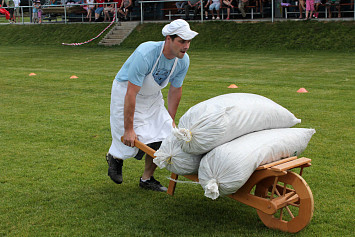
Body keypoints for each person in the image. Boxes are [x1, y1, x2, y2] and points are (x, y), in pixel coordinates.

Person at [106, 19, 198, 192]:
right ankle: (115, 158)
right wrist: (128, 129)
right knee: (130, 138)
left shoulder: (183, 61)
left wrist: (170, 120)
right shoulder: (146, 53)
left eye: (188, 41)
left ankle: (146, 179)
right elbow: (131, 93)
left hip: (152, 96)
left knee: (167, 135)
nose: (186, 46)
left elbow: (175, 91)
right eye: (182, 41)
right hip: (126, 91)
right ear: (168, 39)